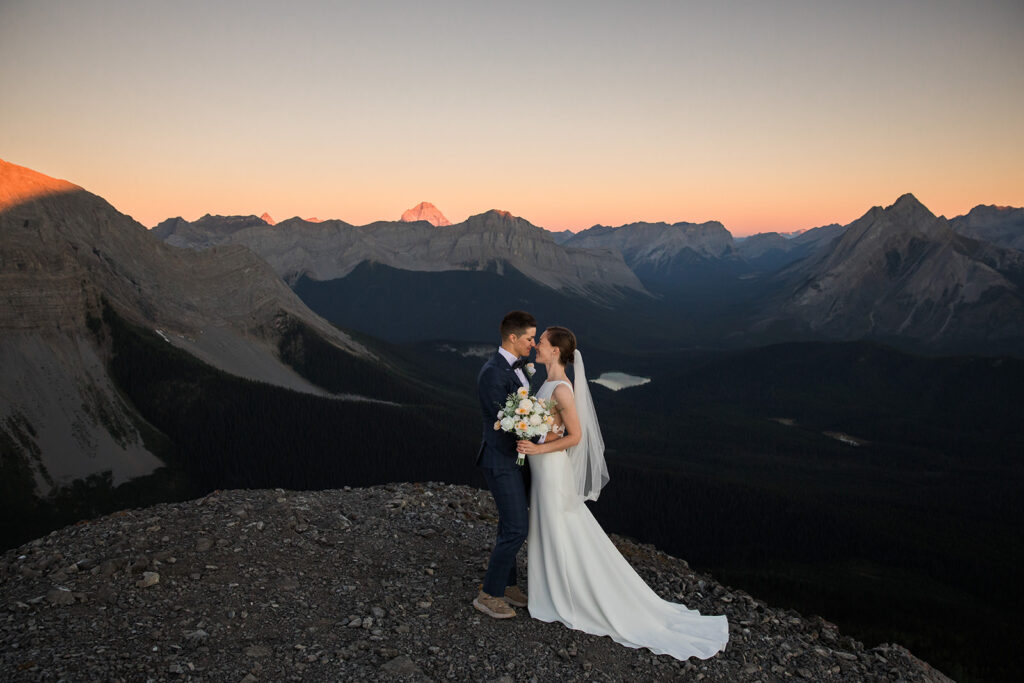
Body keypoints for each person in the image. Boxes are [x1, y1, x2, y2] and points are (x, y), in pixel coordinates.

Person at [515, 326, 729, 660]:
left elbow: (576, 437)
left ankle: (564, 595)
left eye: (541, 342)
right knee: (549, 526)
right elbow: (552, 428)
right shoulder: (545, 383)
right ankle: (550, 591)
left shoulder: (562, 389)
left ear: (556, 350)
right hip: (542, 469)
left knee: (559, 526)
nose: (536, 346)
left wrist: (536, 449)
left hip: (551, 470)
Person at [473, 310, 536, 619]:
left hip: (518, 459)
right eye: (529, 338)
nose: (533, 344)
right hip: (500, 460)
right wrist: (542, 437)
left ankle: (508, 585)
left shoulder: (518, 369)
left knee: (509, 524)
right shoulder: (492, 373)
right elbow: (505, 421)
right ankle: (489, 594)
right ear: (513, 338)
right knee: (516, 528)